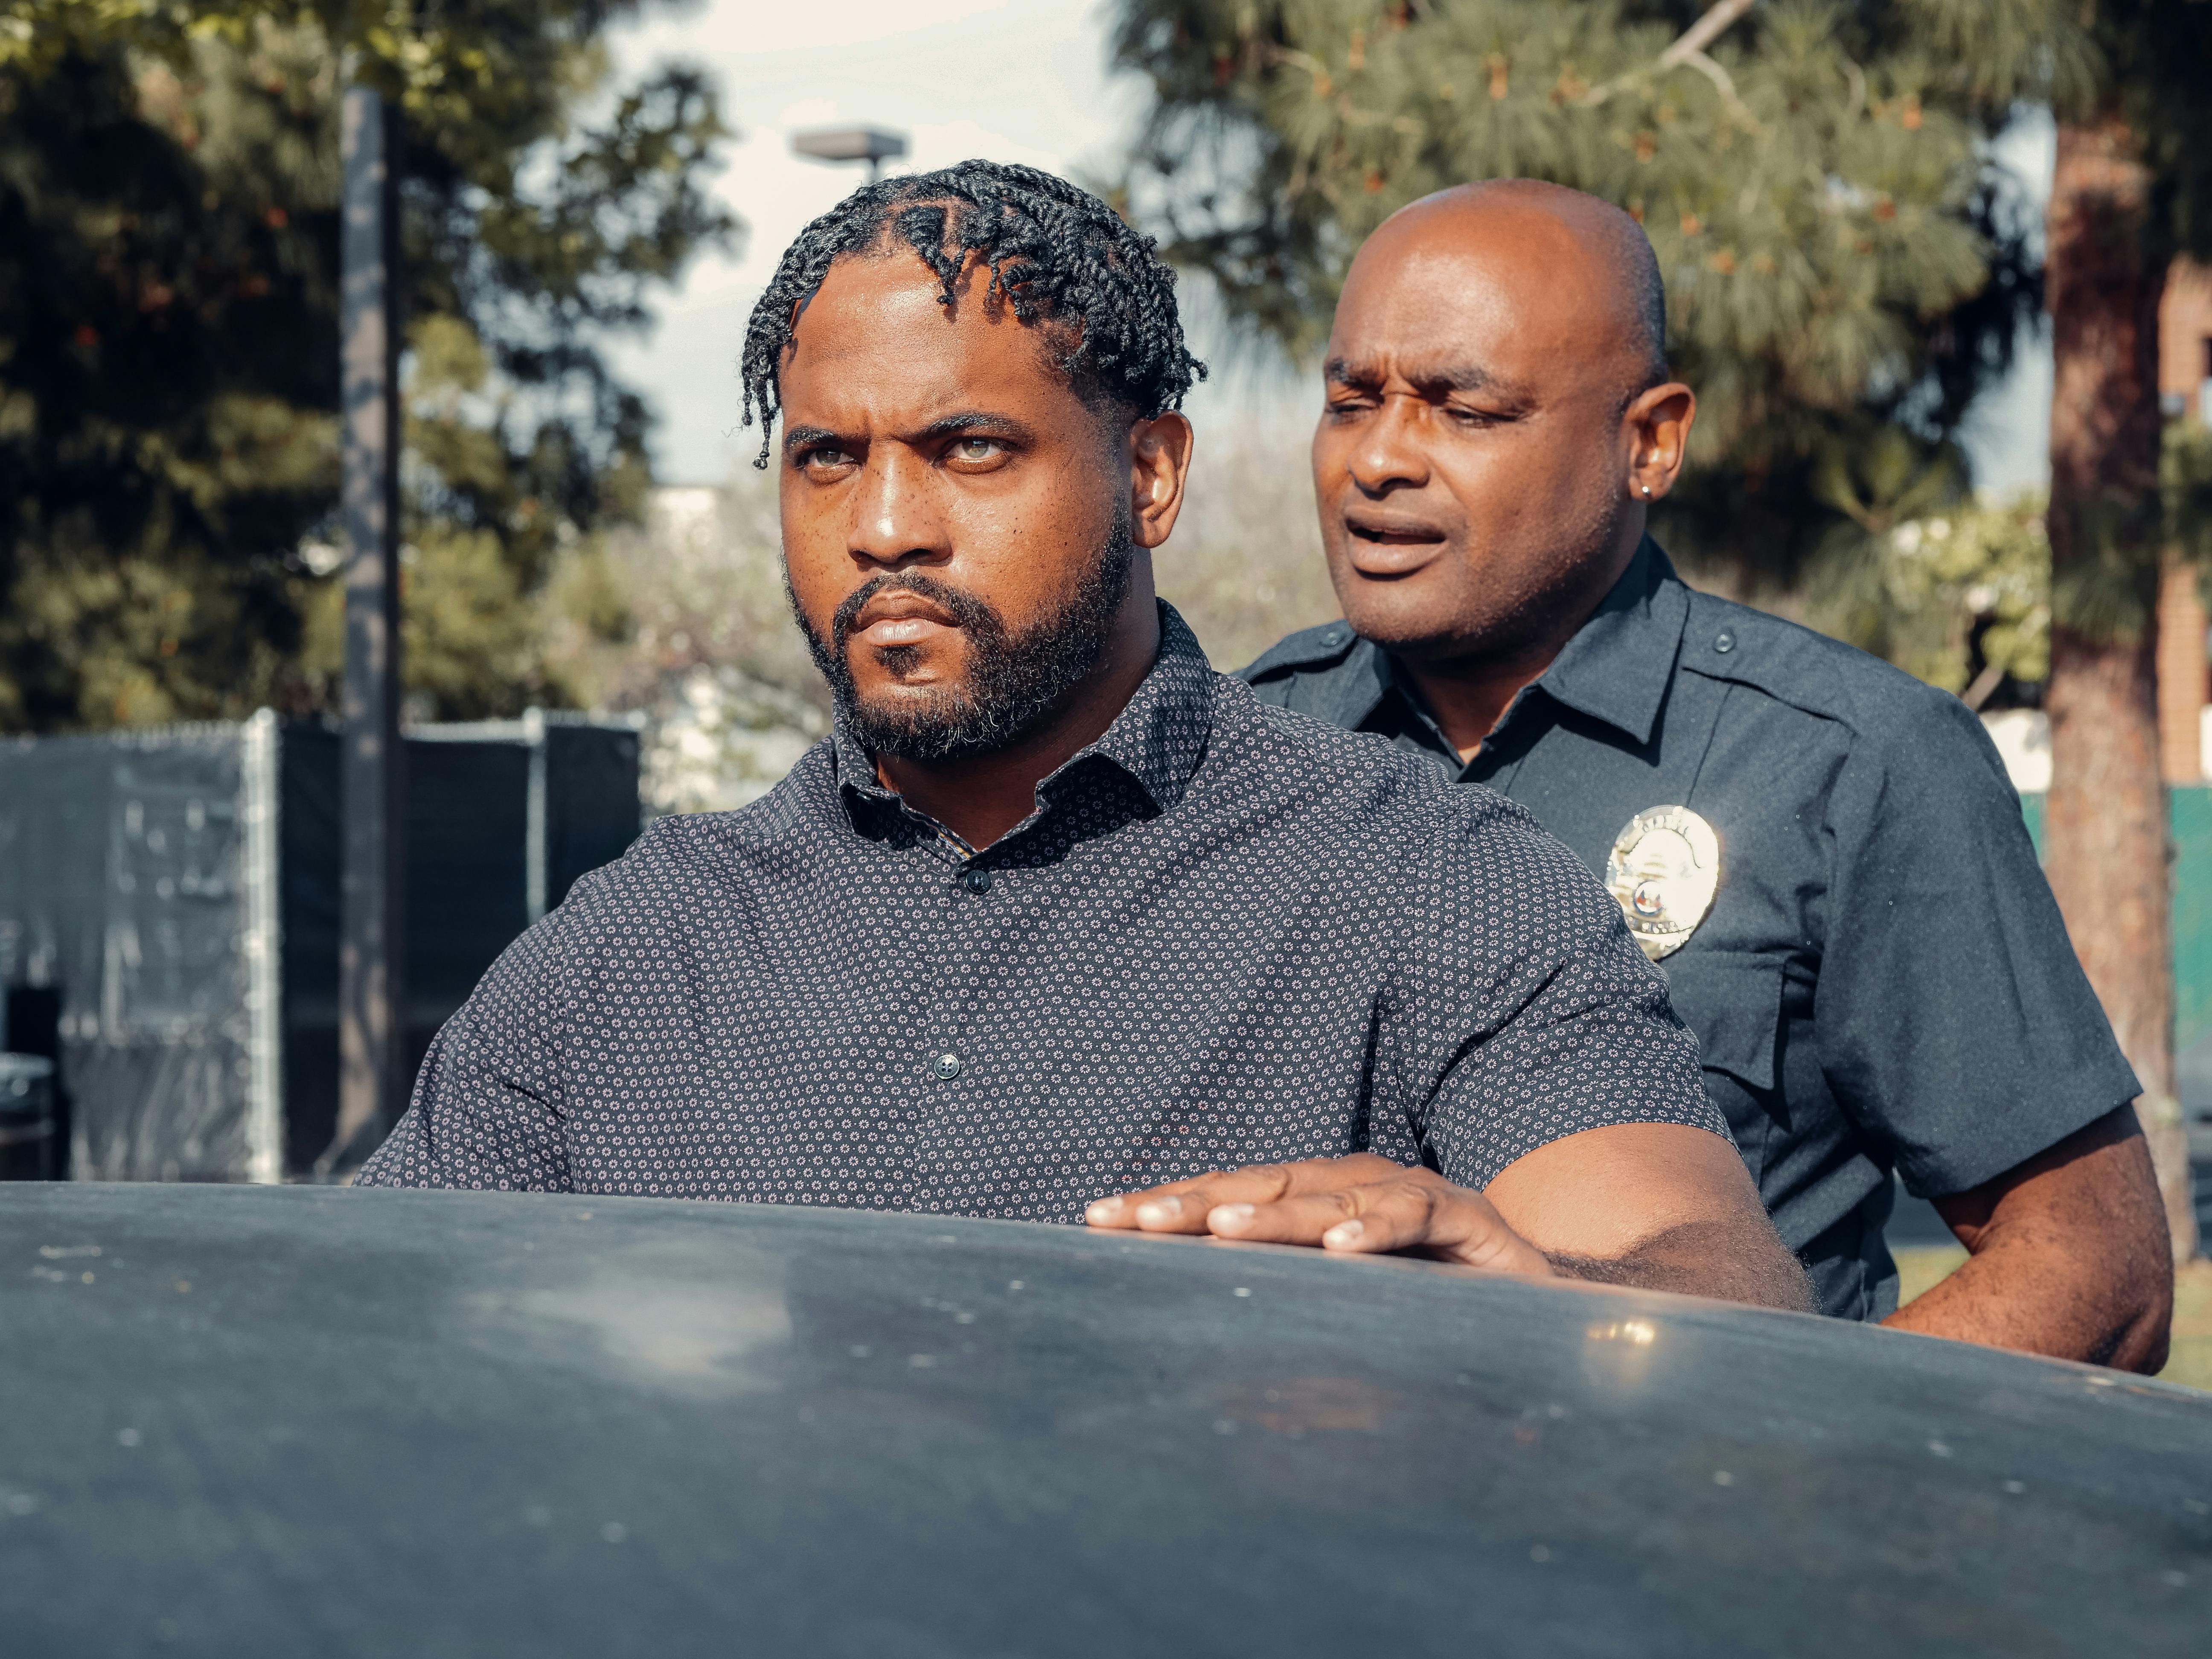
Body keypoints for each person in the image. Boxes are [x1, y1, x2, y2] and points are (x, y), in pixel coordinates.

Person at [357, 161, 1811, 1311]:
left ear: (1153, 473)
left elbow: (1716, 1284)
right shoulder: (626, 953)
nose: (884, 528)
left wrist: (1528, 1285)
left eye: (970, 449)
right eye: (826, 460)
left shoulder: (1425, 880)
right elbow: (361, 1333)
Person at [1220, 178, 2172, 1368]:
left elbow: (2096, 1264)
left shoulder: (1849, 760)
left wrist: (1786, 1476)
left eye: (1465, 411)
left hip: (1682, 1519)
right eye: (1350, 400)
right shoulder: (1251, 744)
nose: (1379, 461)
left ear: (1650, 443)